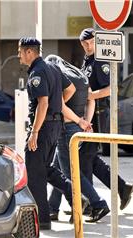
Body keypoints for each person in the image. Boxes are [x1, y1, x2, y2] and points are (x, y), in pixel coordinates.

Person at [18, 37, 91, 230]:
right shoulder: (52, 68)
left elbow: (42, 102)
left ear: (29, 52)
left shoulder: (38, 71)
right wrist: (57, 106)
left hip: (43, 127)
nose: (19, 55)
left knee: (34, 173)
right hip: (56, 125)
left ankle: (42, 220)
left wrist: (34, 132)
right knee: (45, 168)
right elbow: (71, 89)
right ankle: (75, 195)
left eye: (20, 51)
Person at [46, 55, 110, 223]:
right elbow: (91, 100)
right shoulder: (79, 75)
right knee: (57, 168)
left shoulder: (57, 76)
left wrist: (79, 121)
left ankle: (97, 203)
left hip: (67, 129)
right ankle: (52, 207)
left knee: (70, 173)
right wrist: (86, 122)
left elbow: (60, 106)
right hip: (77, 130)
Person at [80, 28, 133, 210]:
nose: (88, 46)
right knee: (90, 158)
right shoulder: (87, 61)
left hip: (99, 113)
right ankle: (121, 188)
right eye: (84, 43)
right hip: (89, 113)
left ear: (97, 41)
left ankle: (89, 204)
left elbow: (111, 89)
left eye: (91, 42)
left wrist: (90, 97)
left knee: (85, 157)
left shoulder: (100, 60)